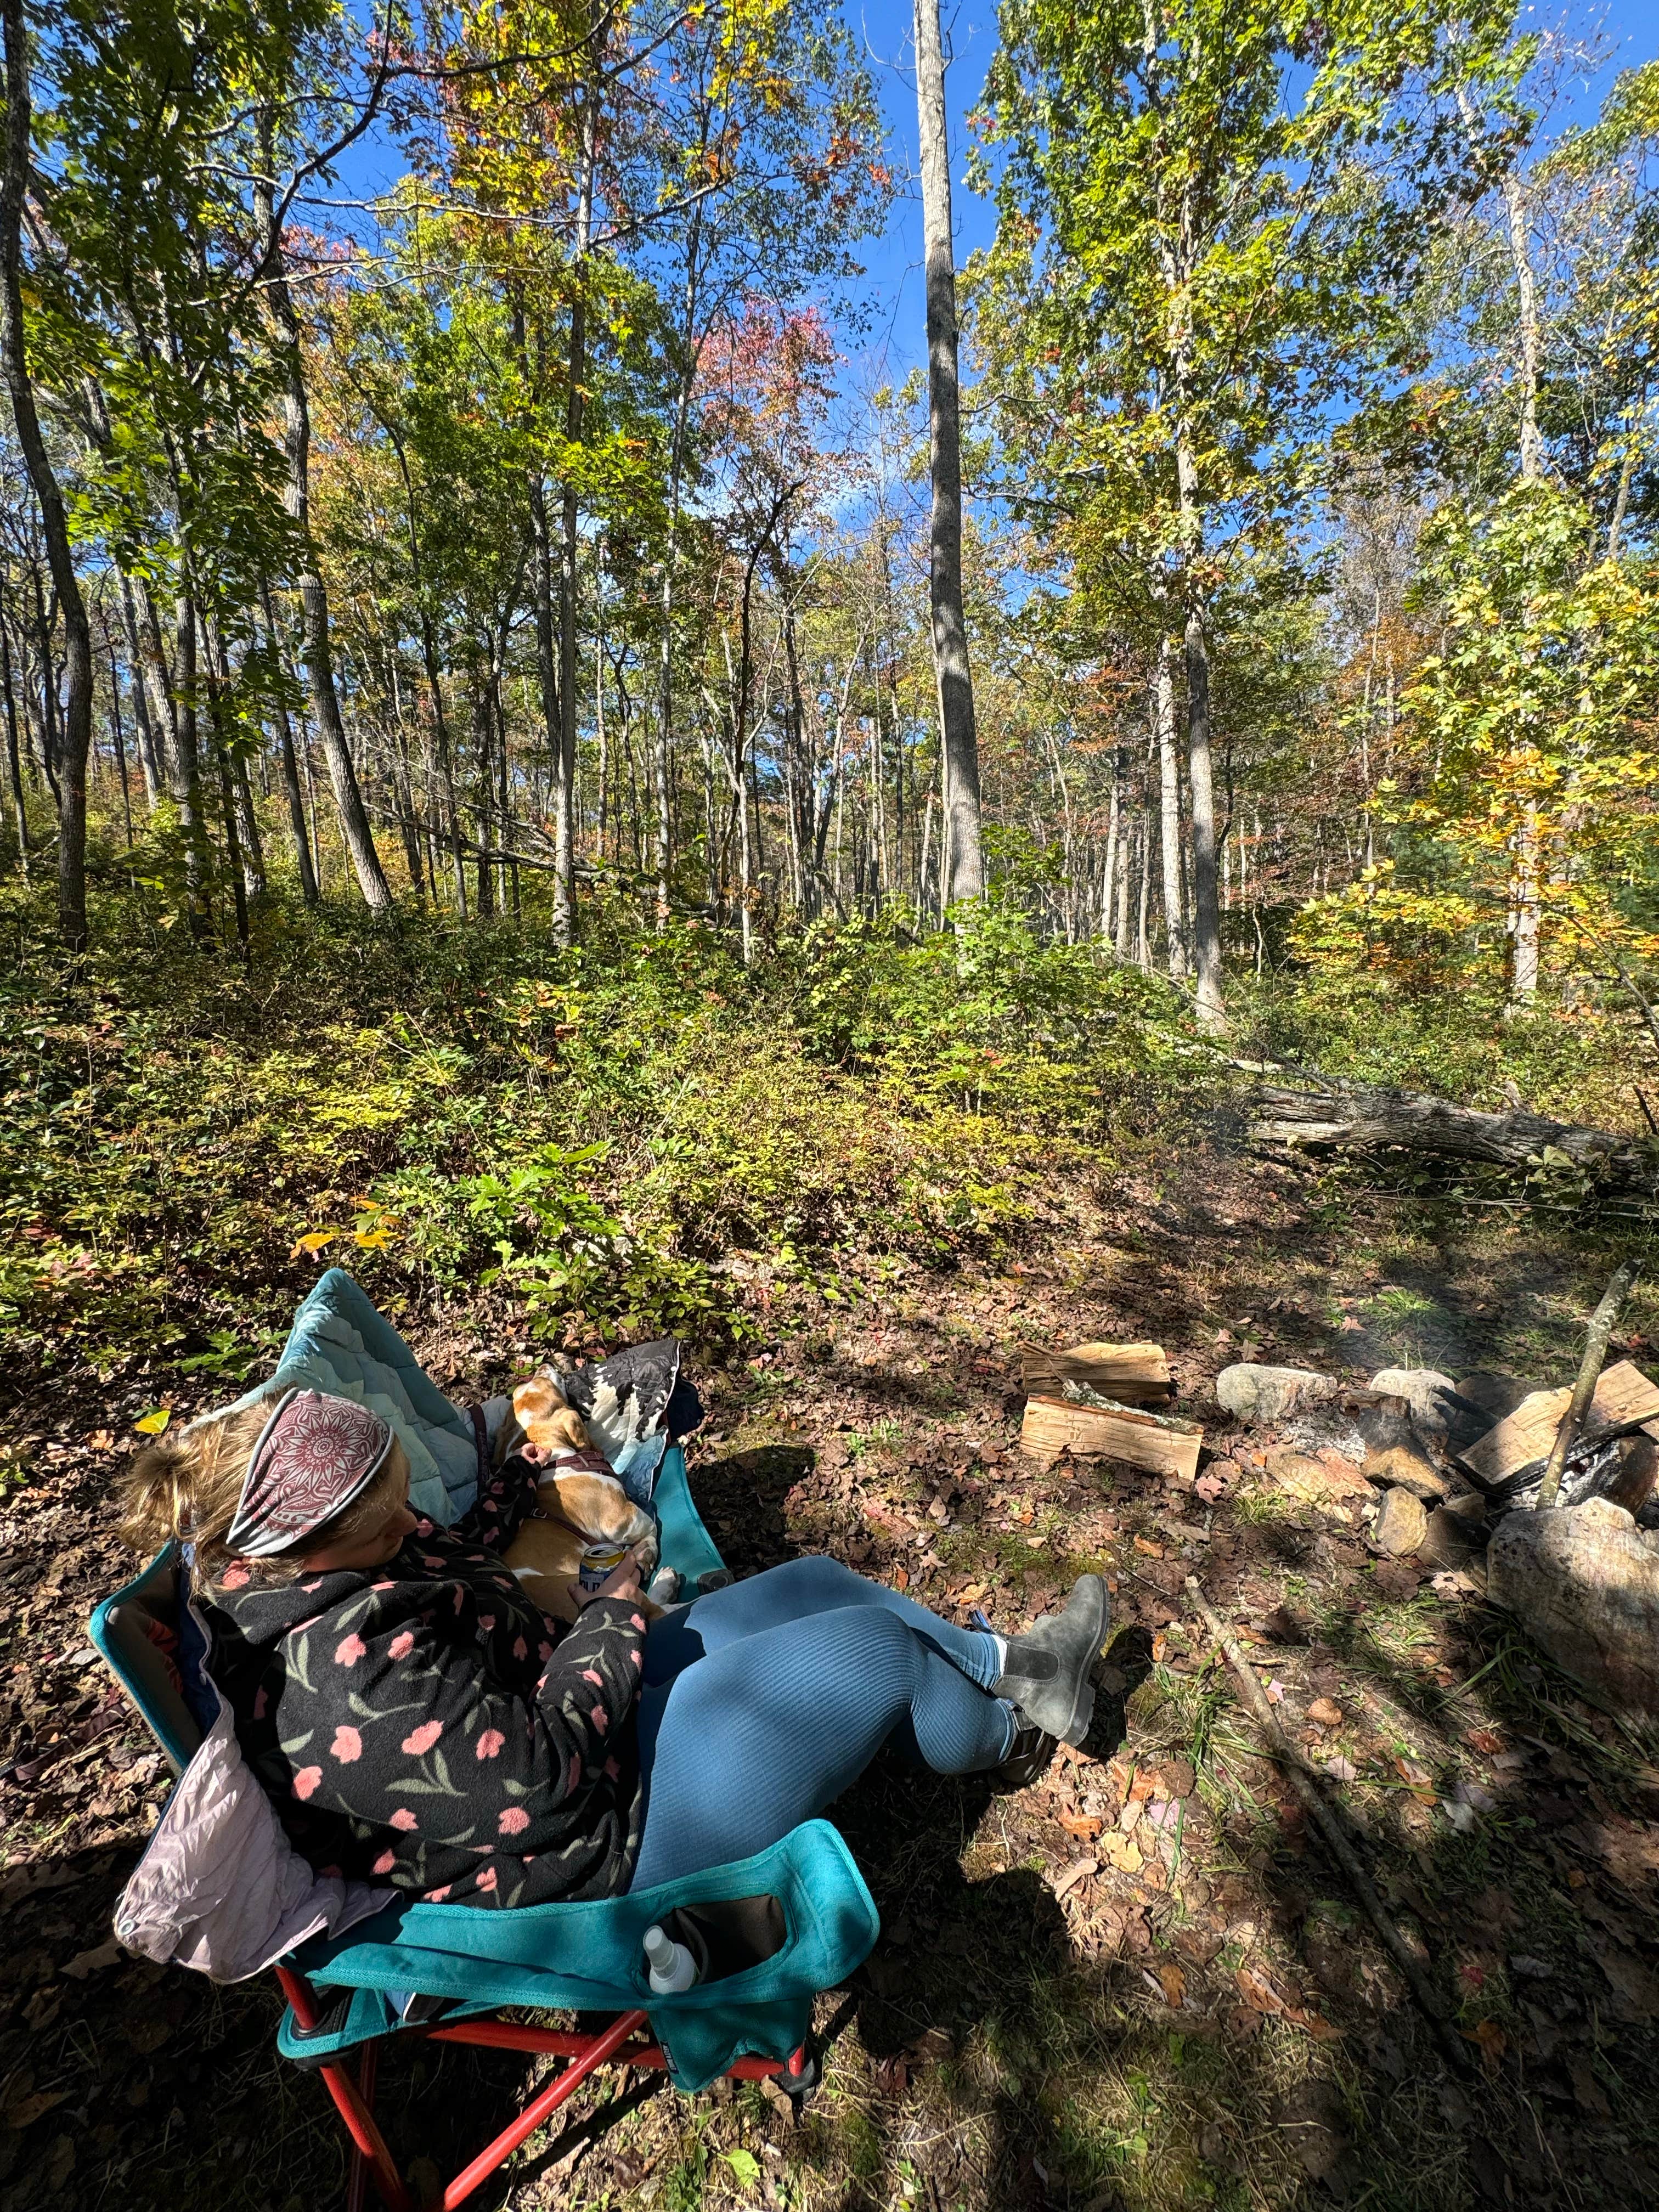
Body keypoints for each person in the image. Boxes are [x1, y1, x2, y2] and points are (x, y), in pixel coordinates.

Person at [121, 1386, 1109, 1910]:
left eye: (394, 1486)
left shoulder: (334, 1552)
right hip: (595, 1836)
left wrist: (529, 1471)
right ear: (300, 1540)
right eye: (380, 1508)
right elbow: (541, 1784)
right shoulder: (335, 1688)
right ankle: (999, 1733)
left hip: (585, 1709)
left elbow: (449, 1550)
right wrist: (617, 1611)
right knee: (873, 1653)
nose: (403, 1514)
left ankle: (1018, 1676)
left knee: (813, 1581)